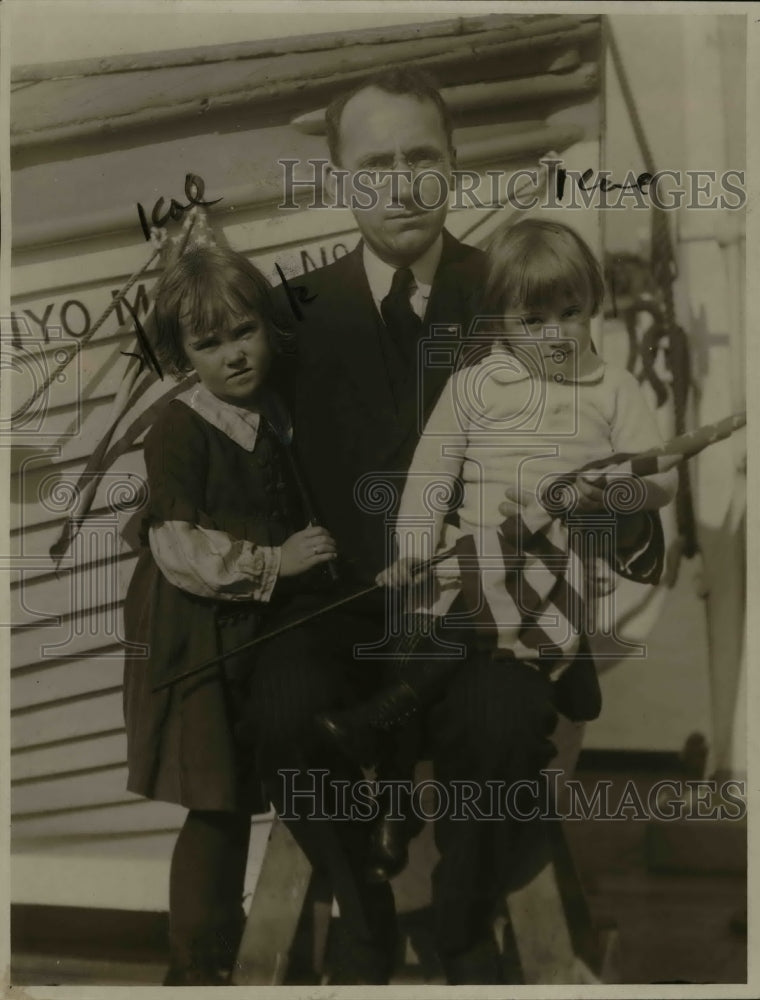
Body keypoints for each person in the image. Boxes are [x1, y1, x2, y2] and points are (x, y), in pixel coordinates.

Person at [255, 67, 665, 984]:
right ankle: (361, 915)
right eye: (375, 165)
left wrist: (618, 517)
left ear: (455, 163)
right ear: (340, 178)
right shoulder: (293, 318)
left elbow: (616, 445)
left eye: (421, 157)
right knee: (278, 701)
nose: (401, 183)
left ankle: (461, 927)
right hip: (353, 612)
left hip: (492, 617)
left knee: (496, 725)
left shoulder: (524, 291)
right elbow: (245, 460)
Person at [315, 218, 677, 767]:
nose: (555, 335)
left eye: (570, 314)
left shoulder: (612, 388)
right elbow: (431, 477)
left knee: (480, 614)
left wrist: (604, 494)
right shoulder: (474, 384)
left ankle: (387, 714)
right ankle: (394, 784)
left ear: (594, 304)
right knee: (419, 625)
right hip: (474, 553)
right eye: (532, 321)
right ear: (500, 322)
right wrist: (414, 551)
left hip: (557, 559)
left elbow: (662, 479)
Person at [121, 244, 337, 985]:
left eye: (243, 333)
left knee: (244, 789)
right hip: (194, 631)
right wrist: (278, 562)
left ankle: (241, 948)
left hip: (245, 627)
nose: (233, 356)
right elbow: (180, 547)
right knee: (214, 801)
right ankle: (193, 967)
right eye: (208, 344)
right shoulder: (179, 426)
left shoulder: (271, 407)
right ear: (182, 353)